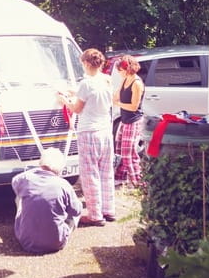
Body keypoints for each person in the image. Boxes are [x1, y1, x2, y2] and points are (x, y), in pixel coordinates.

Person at [57, 48, 116, 227]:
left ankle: (95, 214)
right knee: (106, 172)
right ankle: (108, 209)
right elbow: (95, 96)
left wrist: (64, 100)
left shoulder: (85, 83)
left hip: (89, 131)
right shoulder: (106, 80)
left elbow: (77, 109)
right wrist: (74, 93)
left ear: (87, 63)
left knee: (90, 173)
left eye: (83, 63)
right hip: (106, 130)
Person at [11, 148, 83, 254]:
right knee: (75, 207)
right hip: (56, 243)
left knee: (20, 198)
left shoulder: (26, 179)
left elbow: (15, 183)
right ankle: (55, 230)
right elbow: (76, 211)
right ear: (60, 168)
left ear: (40, 162)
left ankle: (28, 226)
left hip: (25, 242)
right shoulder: (64, 185)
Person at [113, 55, 145, 187]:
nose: (119, 73)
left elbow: (134, 106)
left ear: (126, 68)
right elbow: (116, 95)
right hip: (124, 120)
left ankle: (137, 181)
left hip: (134, 120)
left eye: (120, 70)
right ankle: (121, 177)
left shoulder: (137, 83)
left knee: (128, 153)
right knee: (120, 148)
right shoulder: (125, 79)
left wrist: (118, 103)